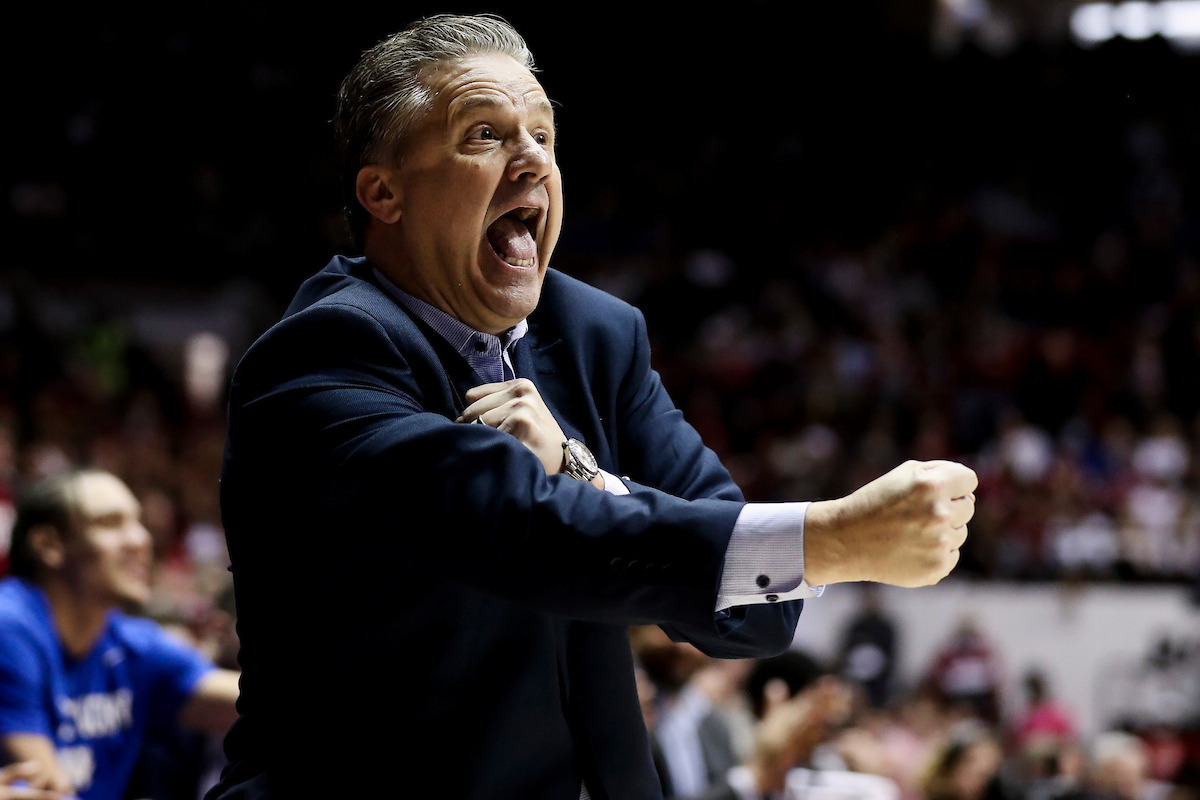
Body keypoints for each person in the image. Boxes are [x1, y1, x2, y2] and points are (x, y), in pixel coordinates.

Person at [210, 14, 977, 800]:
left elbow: (753, 614)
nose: (533, 160)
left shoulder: (594, 336)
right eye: (484, 134)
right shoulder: (321, 355)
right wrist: (833, 538)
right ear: (383, 192)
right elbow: (517, 531)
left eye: (543, 135)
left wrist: (579, 465)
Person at [0, 470, 241, 800]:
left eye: (138, 522)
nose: (141, 540)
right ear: (49, 544)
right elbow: (48, 792)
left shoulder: (131, 642)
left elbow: (257, 704)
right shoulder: (9, 626)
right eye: (111, 523)